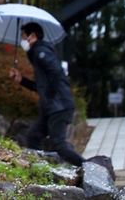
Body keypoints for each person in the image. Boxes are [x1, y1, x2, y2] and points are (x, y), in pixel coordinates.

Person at [9, 22, 86, 166]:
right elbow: (41, 86)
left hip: (59, 106)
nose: (22, 40)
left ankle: (90, 168)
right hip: (52, 107)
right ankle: (43, 169)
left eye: (23, 36)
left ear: (32, 36)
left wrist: (50, 97)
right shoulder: (38, 53)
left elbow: (55, 72)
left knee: (58, 144)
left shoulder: (40, 52)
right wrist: (21, 80)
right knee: (33, 136)